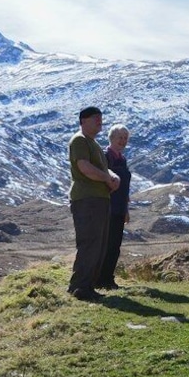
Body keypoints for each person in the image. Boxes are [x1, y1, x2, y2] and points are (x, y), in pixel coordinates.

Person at [67, 106, 120, 301]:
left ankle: (87, 286)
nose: (99, 121)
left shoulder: (94, 143)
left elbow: (103, 169)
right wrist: (107, 179)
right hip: (87, 199)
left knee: (99, 245)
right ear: (83, 121)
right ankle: (80, 288)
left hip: (99, 199)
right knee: (90, 244)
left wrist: (114, 177)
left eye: (100, 117)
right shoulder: (79, 140)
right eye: (95, 118)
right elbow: (84, 167)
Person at [98, 124, 132, 290]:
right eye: (120, 137)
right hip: (107, 208)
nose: (123, 141)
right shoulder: (105, 157)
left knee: (115, 246)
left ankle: (108, 279)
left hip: (119, 209)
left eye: (125, 138)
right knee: (107, 245)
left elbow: (124, 187)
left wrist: (126, 209)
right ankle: (100, 279)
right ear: (111, 138)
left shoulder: (122, 159)